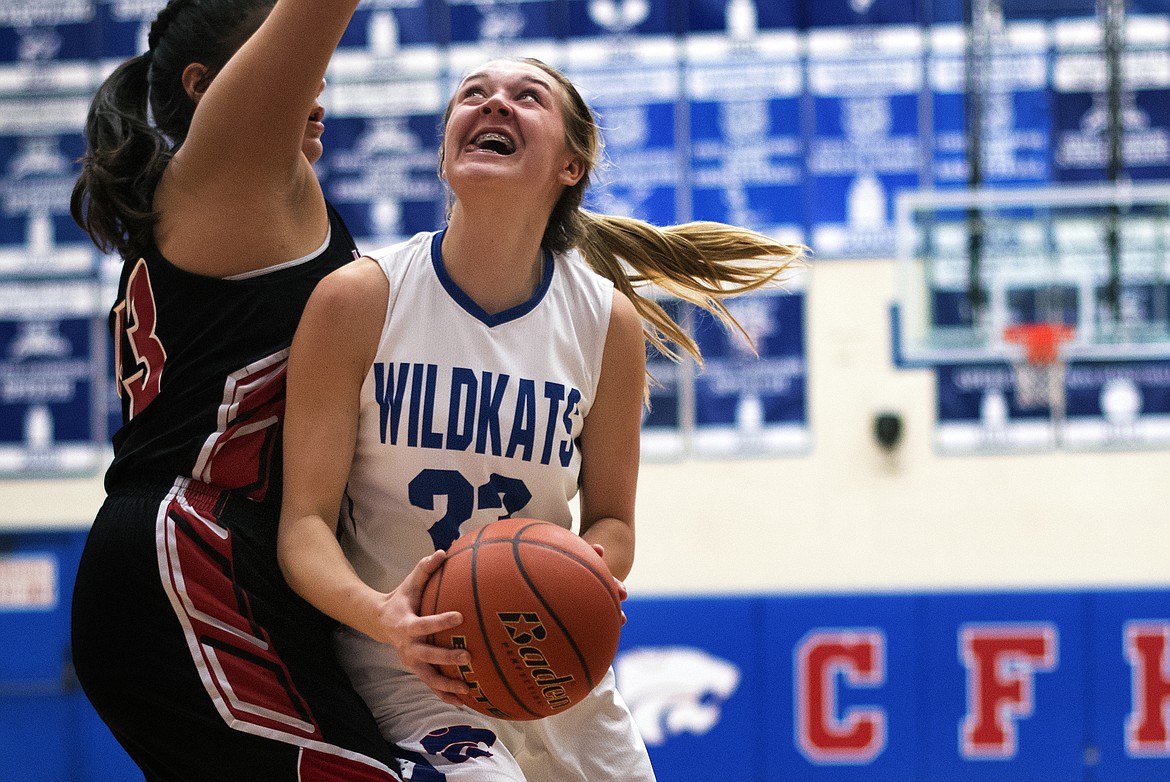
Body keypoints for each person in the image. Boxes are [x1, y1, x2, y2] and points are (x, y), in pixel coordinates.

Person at [276, 56, 804, 781]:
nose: (493, 105)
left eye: (526, 98)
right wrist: (383, 618)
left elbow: (613, 525)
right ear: (445, 149)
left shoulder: (603, 320)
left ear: (571, 164)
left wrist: (573, 577)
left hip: (551, 665)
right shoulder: (361, 297)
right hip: (407, 668)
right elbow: (302, 525)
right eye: (473, 95)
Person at [67, 1, 453, 779]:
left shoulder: (254, 191)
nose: (318, 92)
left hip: (231, 556)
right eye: (297, 69)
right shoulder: (233, 164)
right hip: (192, 547)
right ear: (206, 85)